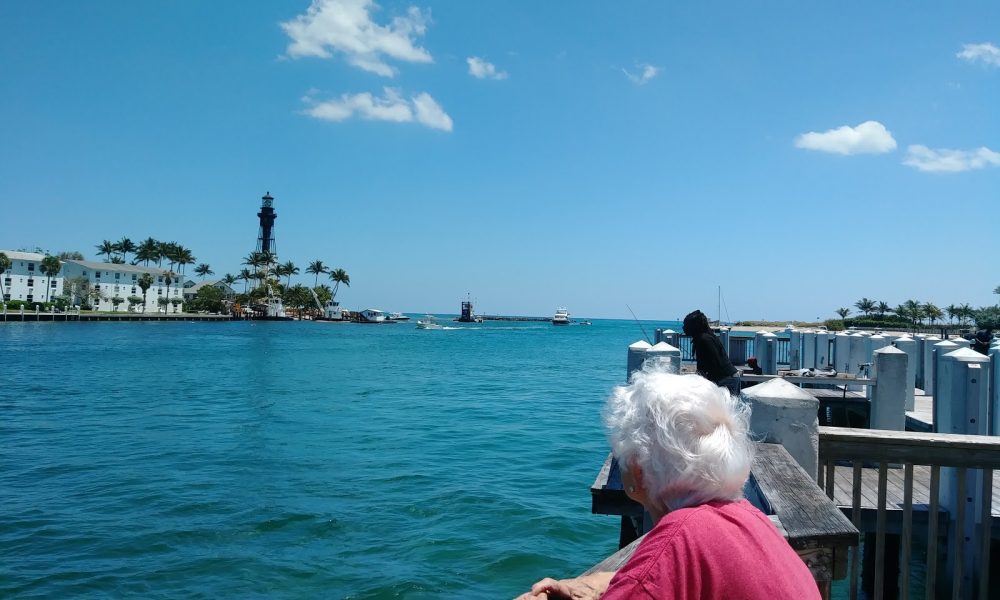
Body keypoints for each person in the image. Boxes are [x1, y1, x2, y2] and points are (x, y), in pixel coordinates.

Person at [516, 366, 820, 600]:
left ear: (638, 470)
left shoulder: (679, 539)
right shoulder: (750, 520)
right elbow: (652, 578)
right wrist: (592, 586)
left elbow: (649, 578)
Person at [682, 309, 739, 395]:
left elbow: (715, 362)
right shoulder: (704, 337)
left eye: (686, 325)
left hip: (726, 379)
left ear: (694, 326)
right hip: (726, 377)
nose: (684, 328)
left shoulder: (704, 339)